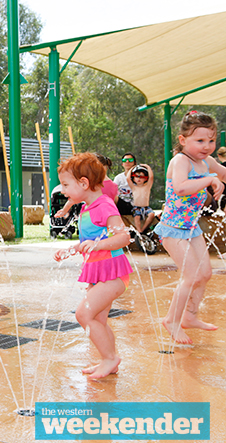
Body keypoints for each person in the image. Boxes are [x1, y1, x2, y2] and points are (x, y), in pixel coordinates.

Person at [53, 152, 132, 380]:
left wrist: (96, 246)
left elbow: (123, 238)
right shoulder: (88, 207)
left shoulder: (104, 205)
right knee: (97, 319)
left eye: (66, 185)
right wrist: (69, 250)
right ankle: (109, 359)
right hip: (100, 273)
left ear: (84, 183)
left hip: (113, 273)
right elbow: (88, 242)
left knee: (83, 314)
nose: (63, 190)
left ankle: (110, 358)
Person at [153, 111, 226, 345]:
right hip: (172, 229)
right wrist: (210, 180)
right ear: (183, 140)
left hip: (191, 228)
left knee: (205, 273)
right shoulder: (180, 161)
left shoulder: (207, 162)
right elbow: (182, 187)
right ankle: (171, 320)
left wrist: (216, 175)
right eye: (200, 140)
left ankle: (189, 316)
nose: (207, 146)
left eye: (211, 140)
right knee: (191, 275)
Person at [54, 153, 117, 219]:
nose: (62, 191)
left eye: (66, 185)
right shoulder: (113, 185)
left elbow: (72, 200)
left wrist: (64, 211)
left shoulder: (92, 185)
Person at [126, 164, 155, 234]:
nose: (139, 178)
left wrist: (147, 167)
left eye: (141, 177)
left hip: (146, 207)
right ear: (133, 178)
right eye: (136, 176)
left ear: (145, 178)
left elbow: (151, 177)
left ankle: (143, 229)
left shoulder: (147, 186)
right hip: (136, 207)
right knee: (137, 217)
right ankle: (139, 230)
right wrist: (132, 168)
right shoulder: (133, 187)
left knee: (151, 215)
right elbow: (127, 178)